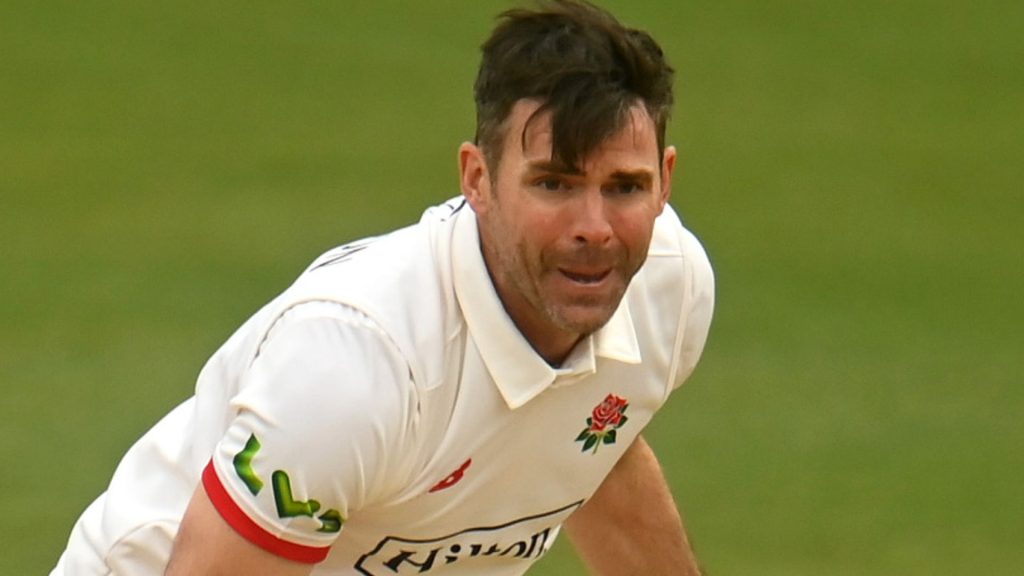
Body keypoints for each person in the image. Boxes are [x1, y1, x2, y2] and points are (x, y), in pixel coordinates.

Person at [52, 1, 715, 574]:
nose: (595, 228)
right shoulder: (358, 366)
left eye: (625, 187)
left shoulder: (670, 287)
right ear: (478, 180)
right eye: (553, 184)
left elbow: (590, 444)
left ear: (665, 180)